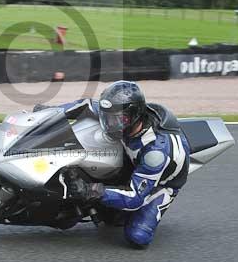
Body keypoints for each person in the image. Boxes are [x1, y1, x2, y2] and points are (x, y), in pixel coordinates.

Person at [41, 81, 190, 249]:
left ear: (135, 115)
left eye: (119, 119)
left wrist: (89, 190)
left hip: (162, 183)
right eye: (107, 117)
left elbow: (134, 198)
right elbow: (85, 105)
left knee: (138, 237)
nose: (110, 124)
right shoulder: (120, 113)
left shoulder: (155, 152)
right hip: (133, 159)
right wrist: (50, 112)